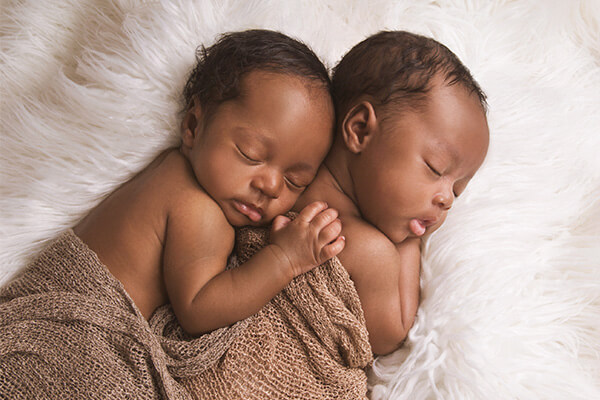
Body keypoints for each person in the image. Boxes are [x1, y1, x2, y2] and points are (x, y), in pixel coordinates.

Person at [73, 29, 344, 335]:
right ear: (193, 125)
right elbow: (199, 310)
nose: (270, 186)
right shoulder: (197, 208)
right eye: (250, 154)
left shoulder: (166, 171)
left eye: (295, 181)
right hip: (77, 330)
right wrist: (285, 259)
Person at [293, 30, 490, 355]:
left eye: (458, 188)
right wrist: (409, 242)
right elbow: (390, 336)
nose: (447, 199)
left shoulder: (291, 180)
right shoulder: (373, 255)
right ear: (360, 130)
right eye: (435, 168)